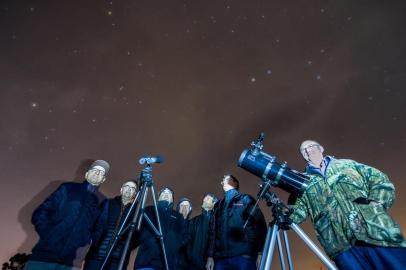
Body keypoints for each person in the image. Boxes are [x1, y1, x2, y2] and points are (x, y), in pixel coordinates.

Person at [289, 140, 406, 270]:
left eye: (310, 146)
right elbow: (295, 214)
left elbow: (380, 180)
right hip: (342, 248)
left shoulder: (347, 164)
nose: (307, 150)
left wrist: (376, 203)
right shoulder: (303, 182)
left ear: (321, 148)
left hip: (378, 234)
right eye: (303, 150)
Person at [24, 160, 110, 270]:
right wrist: (49, 233)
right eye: (95, 170)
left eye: (101, 173)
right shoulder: (67, 188)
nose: (97, 173)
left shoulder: (103, 201)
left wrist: (86, 241)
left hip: (72, 262)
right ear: (87, 173)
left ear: (103, 179)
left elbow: (100, 229)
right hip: (43, 256)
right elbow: (40, 212)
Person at [206, 174, 267, 270]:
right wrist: (210, 257)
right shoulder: (218, 205)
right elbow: (212, 232)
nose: (223, 179)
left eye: (226, 178)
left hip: (244, 257)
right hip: (220, 259)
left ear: (235, 183)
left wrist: (260, 252)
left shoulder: (246, 199)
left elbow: (260, 225)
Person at [83, 180, 138, 270]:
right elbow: (94, 223)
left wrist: (126, 245)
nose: (129, 190)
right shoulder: (108, 203)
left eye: (132, 188)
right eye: (127, 186)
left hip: (117, 261)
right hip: (97, 256)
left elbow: (137, 236)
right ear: (121, 189)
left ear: (135, 194)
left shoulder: (136, 212)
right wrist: (94, 239)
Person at [134, 187, 186, 270]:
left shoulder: (178, 217)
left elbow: (184, 236)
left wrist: (174, 246)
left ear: (172, 200)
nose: (166, 194)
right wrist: (148, 240)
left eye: (169, 194)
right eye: (163, 193)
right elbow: (137, 231)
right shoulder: (149, 210)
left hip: (169, 264)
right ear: (158, 197)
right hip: (147, 263)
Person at [187, 193, 218, 270]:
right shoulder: (194, 221)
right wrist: (191, 256)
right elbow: (188, 240)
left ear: (214, 203)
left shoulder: (218, 221)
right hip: (193, 264)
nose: (204, 200)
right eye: (204, 198)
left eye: (207, 199)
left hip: (211, 265)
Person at [176, 198, 193, 270]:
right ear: (178, 208)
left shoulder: (193, 225)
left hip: (187, 265)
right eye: (182, 205)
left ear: (190, 209)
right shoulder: (171, 223)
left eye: (187, 206)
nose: (184, 208)